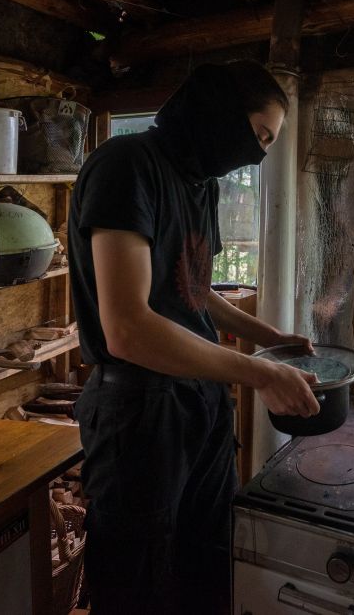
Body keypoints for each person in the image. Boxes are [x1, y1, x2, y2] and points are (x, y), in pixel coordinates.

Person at [69, 61, 321, 614]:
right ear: (220, 111)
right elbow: (129, 329)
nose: (257, 154)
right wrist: (260, 372)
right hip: (137, 412)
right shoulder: (127, 165)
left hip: (196, 403)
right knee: (140, 586)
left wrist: (268, 337)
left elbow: (192, 288)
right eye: (258, 135)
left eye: (268, 144)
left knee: (204, 569)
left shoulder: (199, 185)